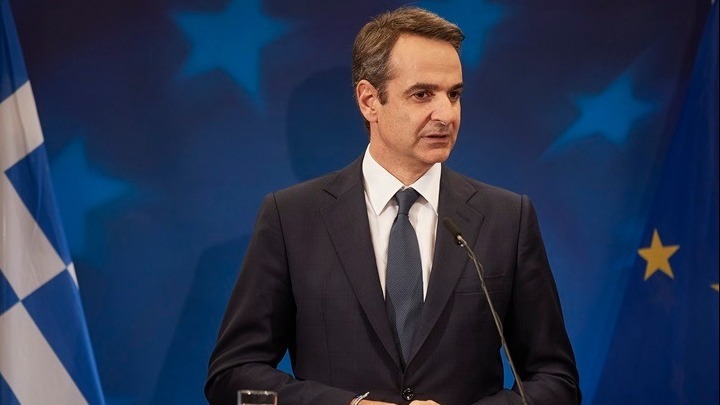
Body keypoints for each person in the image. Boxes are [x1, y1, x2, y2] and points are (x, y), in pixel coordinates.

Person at [206, 6, 580, 405]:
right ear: (369, 101)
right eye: (422, 94)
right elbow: (233, 374)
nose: (446, 114)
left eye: (454, 94)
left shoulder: (507, 218)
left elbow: (556, 381)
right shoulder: (292, 218)